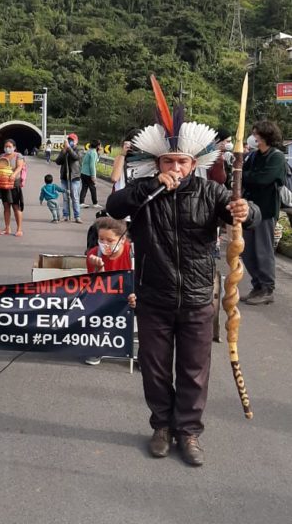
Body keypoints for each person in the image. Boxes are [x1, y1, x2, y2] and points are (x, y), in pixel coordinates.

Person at [106, 79, 260, 466]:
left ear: (194, 164)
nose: (175, 167)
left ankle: (188, 432)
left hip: (195, 299)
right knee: (155, 371)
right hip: (153, 296)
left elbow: (242, 212)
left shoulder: (211, 193)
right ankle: (161, 426)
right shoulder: (144, 190)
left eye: (182, 162)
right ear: (157, 163)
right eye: (168, 161)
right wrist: (148, 189)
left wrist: (248, 212)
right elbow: (116, 205)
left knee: (194, 372)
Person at [241, 120, 287, 305]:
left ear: (266, 136)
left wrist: (247, 176)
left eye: (256, 135)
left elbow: (263, 179)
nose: (254, 138)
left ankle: (267, 288)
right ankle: (257, 285)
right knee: (247, 251)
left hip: (266, 210)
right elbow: (241, 174)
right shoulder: (253, 156)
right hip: (249, 209)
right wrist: (246, 176)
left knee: (263, 250)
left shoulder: (276, 157)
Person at [84, 216, 136, 366]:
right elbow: (95, 288)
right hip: (107, 297)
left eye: (110, 240)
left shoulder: (132, 253)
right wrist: (99, 269)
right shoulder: (93, 254)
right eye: (101, 239)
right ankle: (97, 347)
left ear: (122, 239)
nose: (104, 244)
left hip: (132, 297)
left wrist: (137, 295)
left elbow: (145, 281)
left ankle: (146, 352)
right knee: (91, 304)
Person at [0, 139, 24, 236]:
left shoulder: (18, 156)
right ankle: (7, 228)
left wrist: (14, 175)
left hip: (14, 184)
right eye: (6, 146)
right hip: (3, 184)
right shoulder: (1, 156)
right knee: (6, 206)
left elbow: (20, 167)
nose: (7, 148)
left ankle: (19, 229)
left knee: (16, 206)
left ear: (14, 147)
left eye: (10, 146)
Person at [55, 133, 82, 223]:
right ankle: (65, 215)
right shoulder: (64, 150)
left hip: (74, 177)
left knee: (75, 197)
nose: (70, 141)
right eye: (69, 140)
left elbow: (76, 157)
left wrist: (69, 149)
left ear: (76, 141)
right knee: (65, 197)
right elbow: (58, 161)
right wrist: (64, 151)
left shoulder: (79, 150)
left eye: (72, 140)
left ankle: (77, 216)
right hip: (64, 177)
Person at [80, 139, 102, 208]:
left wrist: (98, 153)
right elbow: (92, 165)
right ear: (98, 146)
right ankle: (95, 203)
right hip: (88, 174)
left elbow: (96, 161)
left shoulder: (90, 151)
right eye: (100, 145)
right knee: (93, 188)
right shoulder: (93, 153)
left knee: (84, 187)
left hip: (83, 172)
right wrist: (93, 176)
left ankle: (81, 202)